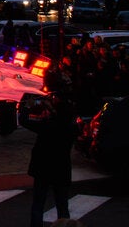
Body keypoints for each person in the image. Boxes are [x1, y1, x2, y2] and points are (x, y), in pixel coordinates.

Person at [20, 92, 79, 227]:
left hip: (43, 168)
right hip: (61, 168)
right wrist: (52, 109)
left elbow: (24, 120)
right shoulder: (71, 128)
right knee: (62, 205)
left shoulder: (47, 125)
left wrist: (27, 107)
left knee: (38, 204)